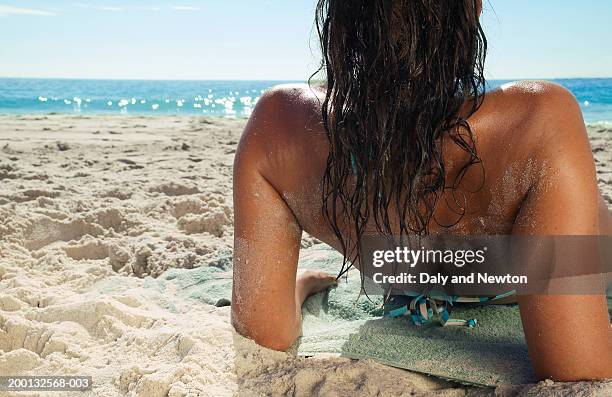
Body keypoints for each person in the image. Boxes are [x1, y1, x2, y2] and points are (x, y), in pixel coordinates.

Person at [231, 0, 612, 381]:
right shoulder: (539, 120)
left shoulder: (277, 127)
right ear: (472, 10)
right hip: (522, 277)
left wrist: (298, 286)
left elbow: (263, 333)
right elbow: (578, 370)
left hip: (399, 276)